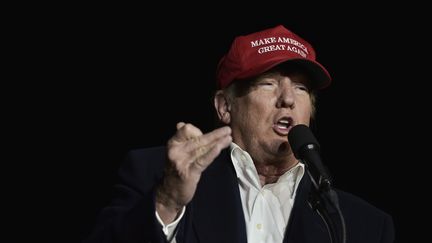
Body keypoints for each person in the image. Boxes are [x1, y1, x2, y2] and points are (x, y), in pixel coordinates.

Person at [83, 25, 395, 243]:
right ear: (224, 106)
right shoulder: (158, 177)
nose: (287, 98)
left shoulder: (363, 224)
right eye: (268, 83)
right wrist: (167, 201)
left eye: (301, 88)